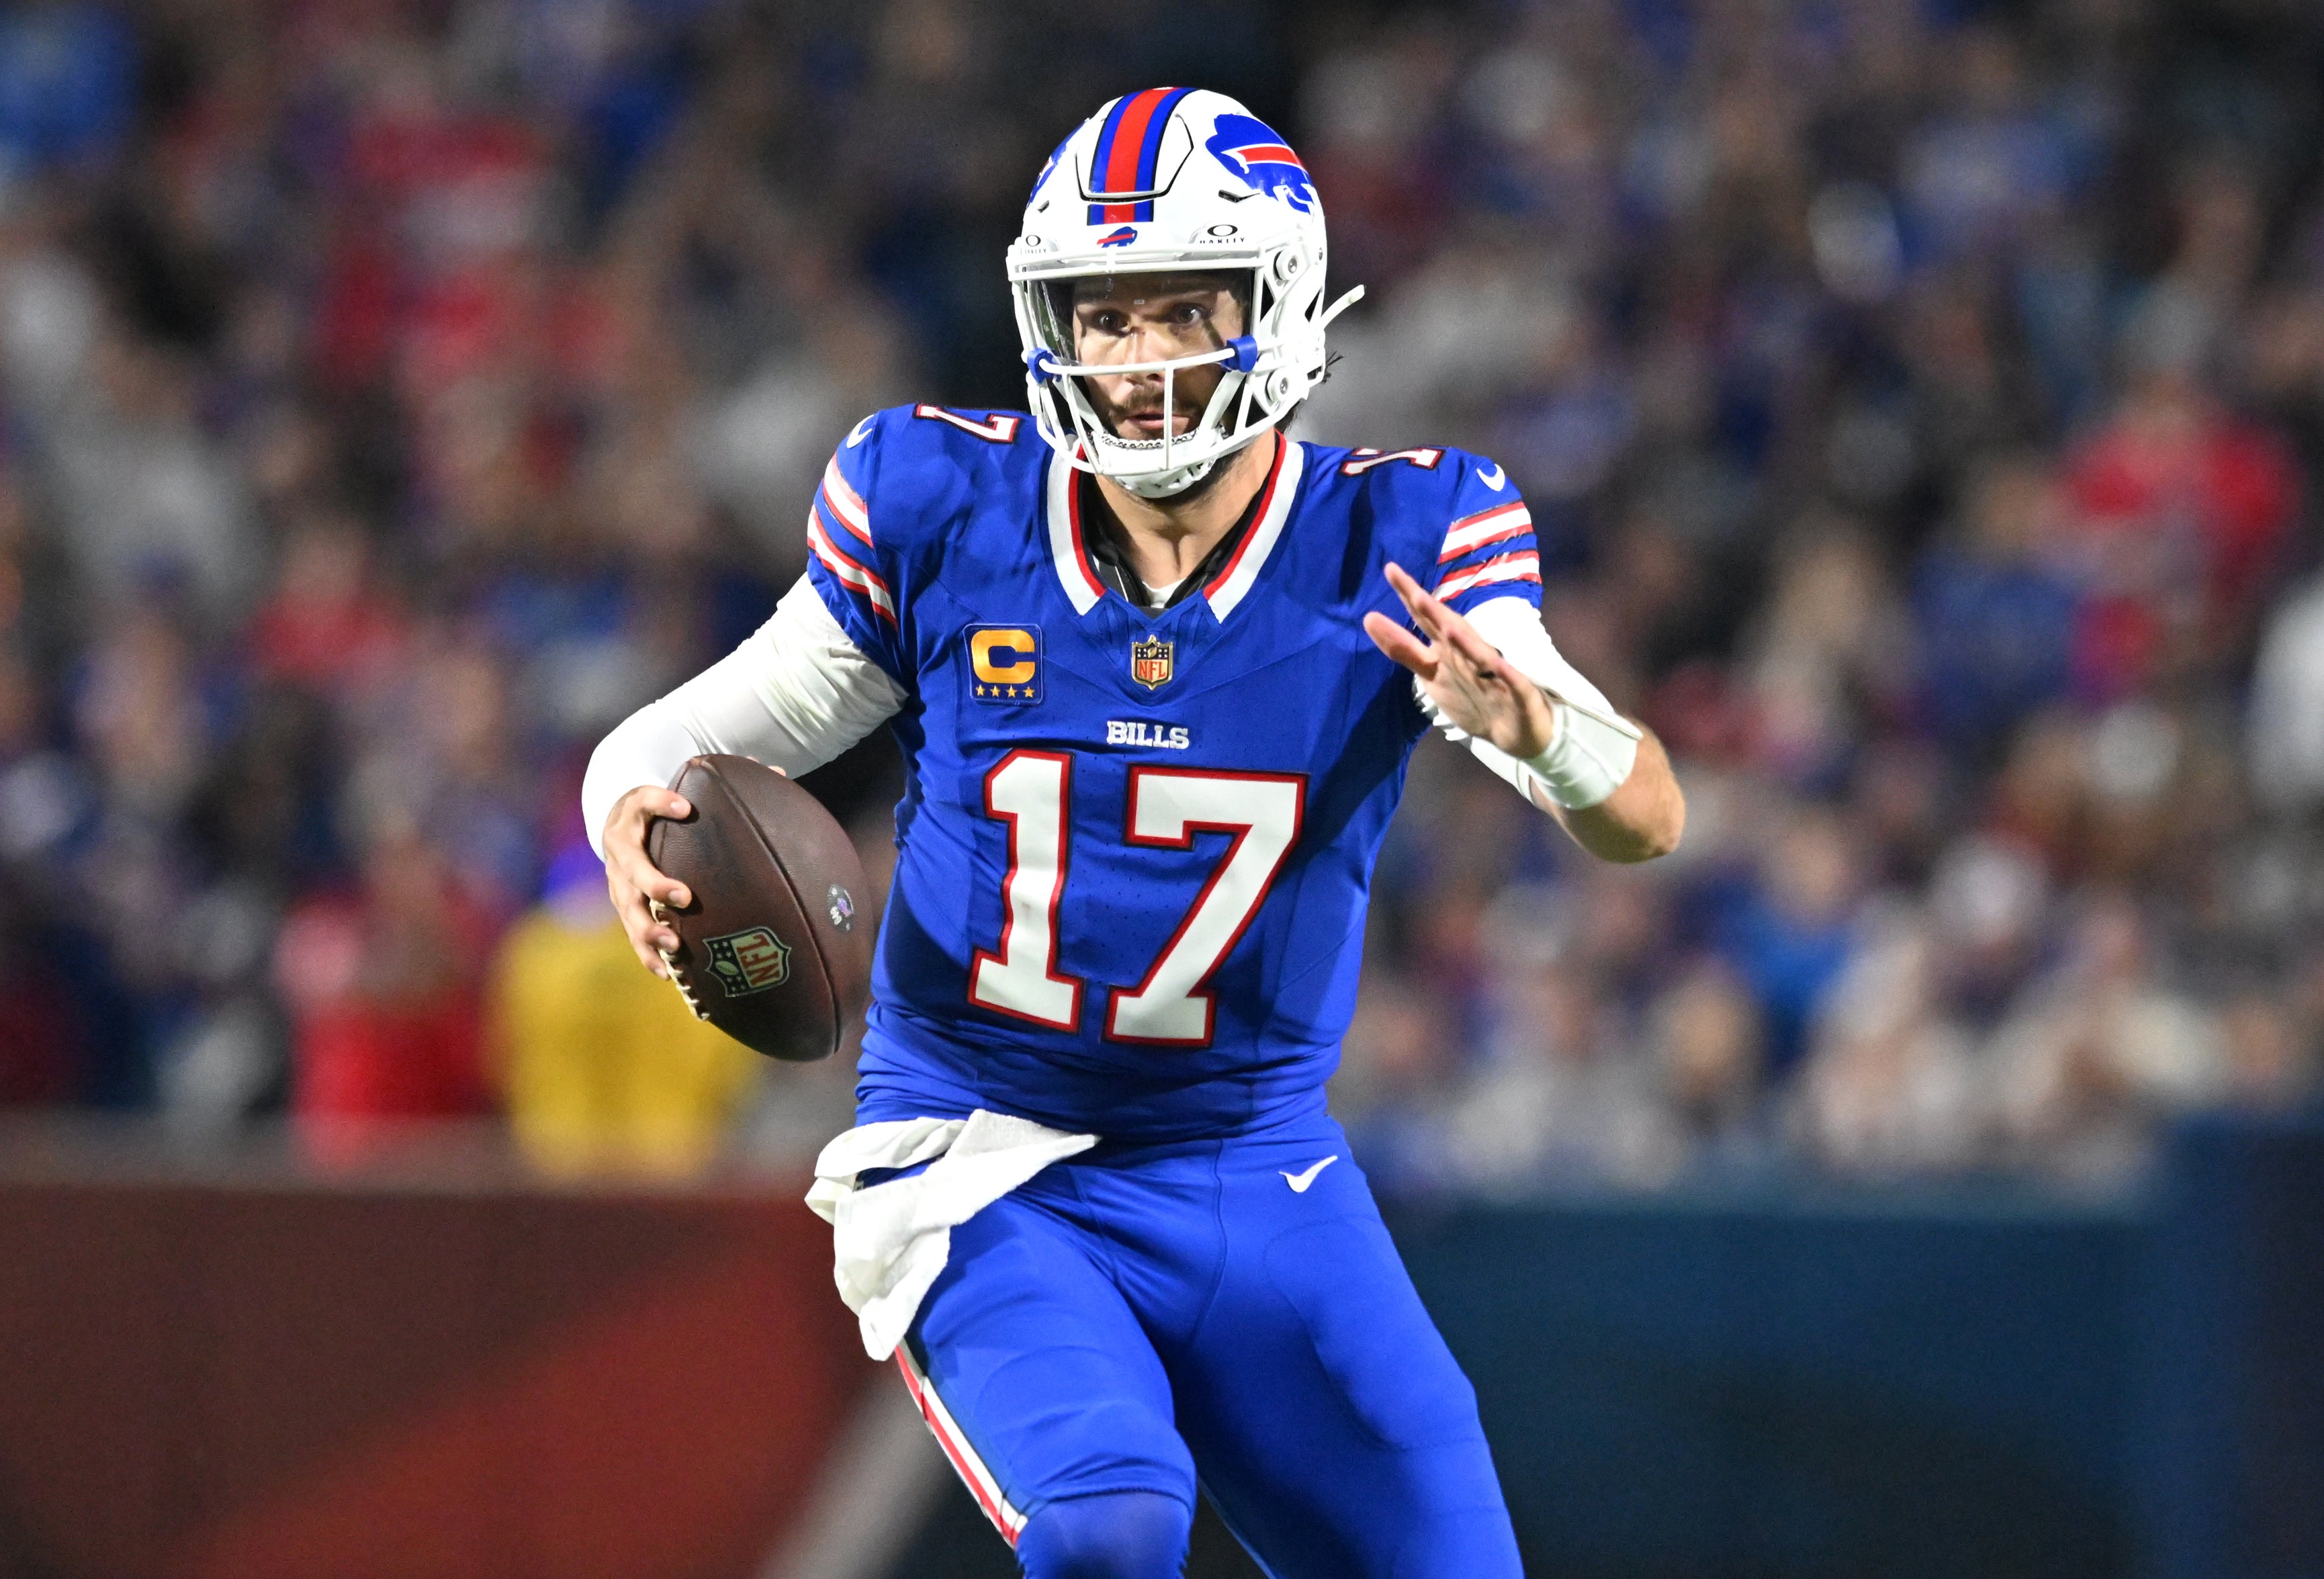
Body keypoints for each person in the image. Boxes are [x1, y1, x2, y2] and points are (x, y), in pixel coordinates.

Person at [583, 88, 1682, 1579]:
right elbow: (675, 747)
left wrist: (1541, 734)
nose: (1144, 360)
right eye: (1107, 318)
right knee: (1107, 1520)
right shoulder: (945, 510)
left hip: (1254, 1167)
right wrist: (625, 829)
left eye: (1185, 311)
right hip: (981, 1150)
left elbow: (1646, 819)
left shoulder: (1400, 541)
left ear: (1277, 308)